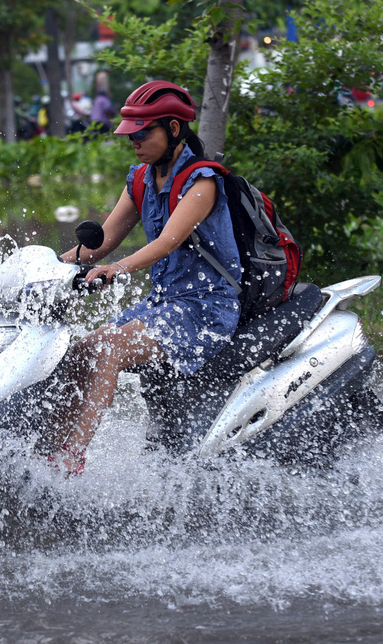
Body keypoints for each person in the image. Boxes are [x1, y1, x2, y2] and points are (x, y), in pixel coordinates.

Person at [46, 80, 242, 475]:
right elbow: (100, 244)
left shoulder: (201, 181)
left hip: (204, 308)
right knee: (79, 350)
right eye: (129, 135)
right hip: (164, 304)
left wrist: (118, 269)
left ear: (173, 129)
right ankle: (45, 453)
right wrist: (48, 267)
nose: (133, 141)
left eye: (141, 133)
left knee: (107, 349)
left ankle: (71, 460)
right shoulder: (139, 179)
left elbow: (168, 242)